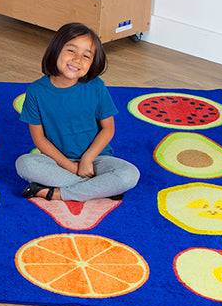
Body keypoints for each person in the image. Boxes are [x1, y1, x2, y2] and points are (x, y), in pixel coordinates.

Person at [16, 22, 139, 202]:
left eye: (86, 56)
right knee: (25, 164)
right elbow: (39, 139)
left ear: (92, 63)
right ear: (56, 49)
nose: (77, 59)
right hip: (57, 162)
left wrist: (87, 160)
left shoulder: (96, 86)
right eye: (71, 51)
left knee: (129, 175)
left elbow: (108, 129)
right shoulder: (36, 91)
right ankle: (99, 189)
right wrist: (71, 168)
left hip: (96, 160)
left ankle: (56, 193)